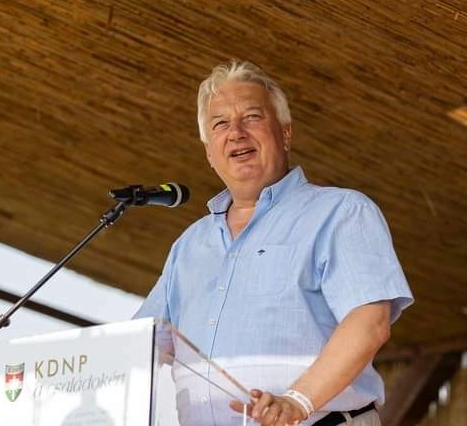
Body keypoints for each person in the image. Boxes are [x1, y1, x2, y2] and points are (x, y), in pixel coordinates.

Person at [134, 60, 413, 426]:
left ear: (285, 134)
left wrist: (297, 401)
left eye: (251, 117)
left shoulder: (341, 212)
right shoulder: (189, 245)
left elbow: (370, 322)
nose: (236, 133)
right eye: (220, 124)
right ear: (209, 152)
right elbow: (141, 345)